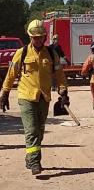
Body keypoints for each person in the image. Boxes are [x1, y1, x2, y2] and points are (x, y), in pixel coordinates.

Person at [0, 19, 69, 175]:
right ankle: (34, 162)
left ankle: (30, 155)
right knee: (31, 130)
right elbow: (11, 75)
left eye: (40, 37)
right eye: (34, 37)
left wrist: (63, 91)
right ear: (29, 37)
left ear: (44, 37)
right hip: (26, 97)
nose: (37, 40)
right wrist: (4, 93)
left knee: (40, 131)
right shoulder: (22, 53)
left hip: (43, 98)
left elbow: (59, 74)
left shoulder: (51, 54)